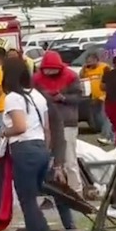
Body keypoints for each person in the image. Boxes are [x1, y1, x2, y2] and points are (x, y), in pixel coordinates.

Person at [0, 58, 53, 231]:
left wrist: (4, 132)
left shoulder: (13, 97)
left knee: (28, 202)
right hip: (40, 148)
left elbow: (20, 127)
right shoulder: (36, 95)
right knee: (34, 200)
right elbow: (47, 128)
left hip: (24, 150)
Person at [32, 51, 86, 203]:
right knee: (46, 160)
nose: (49, 72)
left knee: (69, 160)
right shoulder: (36, 79)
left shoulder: (71, 76)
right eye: (47, 69)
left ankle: (77, 192)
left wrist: (63, 98)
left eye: (53, 69)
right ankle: (49, 193)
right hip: (45, 124)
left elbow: (79, 97)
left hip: (67, 122)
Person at [79, 52, 114, 146]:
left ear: (96, 60)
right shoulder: (87, 70)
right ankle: (104, 132)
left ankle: (107, 135)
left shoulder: (104, 67)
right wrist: (83, 68)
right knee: (96, 116)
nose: (89, 63)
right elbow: (81, 78)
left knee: (105, 116)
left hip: (103, 96)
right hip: (92, 97)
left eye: (90, 61)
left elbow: (110, 80)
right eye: (87, 62)